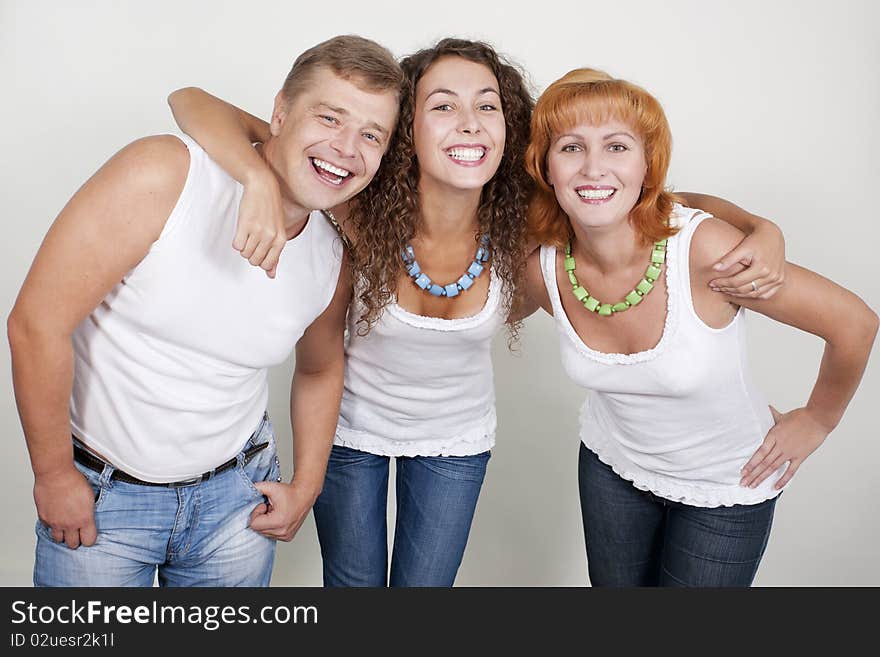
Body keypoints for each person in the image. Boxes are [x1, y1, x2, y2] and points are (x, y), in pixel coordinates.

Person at [167, 39, 787, 587]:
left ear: (508, 127)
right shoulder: (353, 201)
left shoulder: (527, 232)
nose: (469, 123)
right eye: (443, 105)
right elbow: (191, 101)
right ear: (407, 128)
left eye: (487, 105)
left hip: (455, 444)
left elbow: (645, 200)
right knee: (351, 585)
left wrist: (761, 226)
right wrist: (252, 177)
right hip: (350, 434)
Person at [7, 35, 402, 587]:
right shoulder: (166, 174)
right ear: (280, 113)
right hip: (101, 500)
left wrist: (307, 484)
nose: (346, 147)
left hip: (235, 509)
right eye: (330, 118)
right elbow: (35, 324)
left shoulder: (331, 257)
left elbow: (320, 367)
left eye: (370, 135)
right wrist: (52, 475)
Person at [519, 68, 878, 586]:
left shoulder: (702, 250)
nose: (594, 168)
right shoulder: (545, 268)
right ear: (547, 168)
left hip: (724, 489)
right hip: (611, 467)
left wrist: (818, 420)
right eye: (571, 148)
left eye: (616, 147)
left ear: (647, 166)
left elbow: (855, 323)